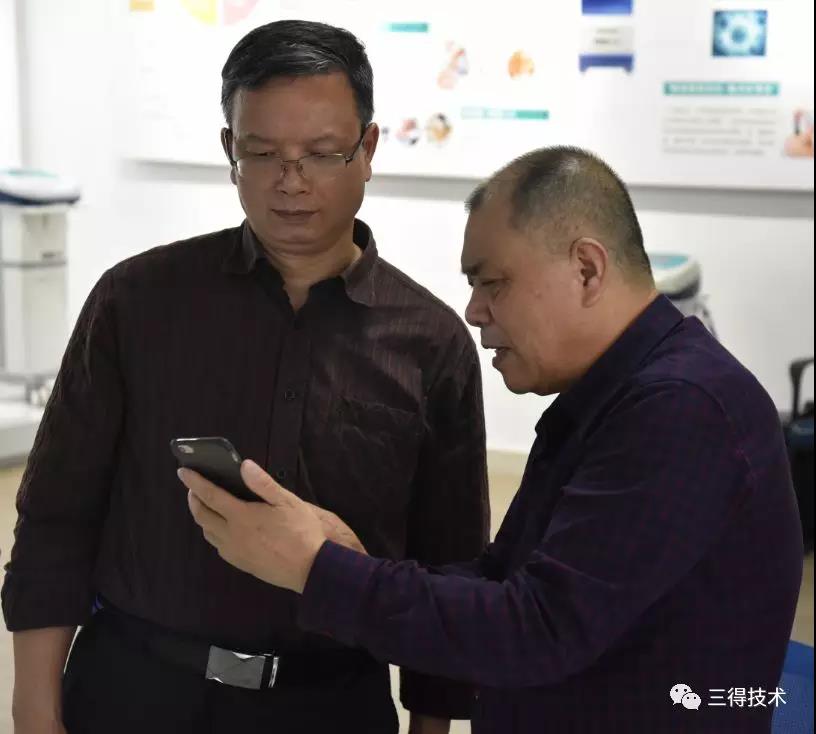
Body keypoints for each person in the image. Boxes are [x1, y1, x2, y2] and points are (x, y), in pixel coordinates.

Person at [181, 146, 805, 734]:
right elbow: (507, 582)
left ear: (587, 269)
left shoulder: (679, 410)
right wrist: (349, 560)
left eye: (493, 282)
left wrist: (315, 570)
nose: (474, 311)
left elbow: (535, 629)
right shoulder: (613, 398)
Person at [3, 20, 489, 734]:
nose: (291, 181)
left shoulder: (431, 342)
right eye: (262, 153)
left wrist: (430, 727)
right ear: (230, 149)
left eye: (322, 154)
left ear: (368, 149)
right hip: (136, 689)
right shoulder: (136, 302)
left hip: (328, 704)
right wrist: (34, 710)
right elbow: (56, 514)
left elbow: (449, 563)